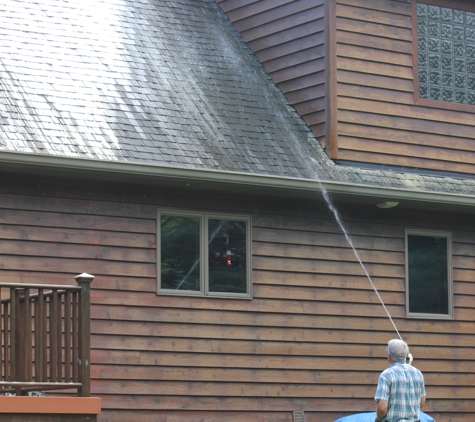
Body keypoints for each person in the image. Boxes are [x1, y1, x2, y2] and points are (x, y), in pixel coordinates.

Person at [374, 339, 426, 422]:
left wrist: (379, 420)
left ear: (389, 355)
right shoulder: (418, 373)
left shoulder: (386, 375)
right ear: (406, 355)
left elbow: (382, 408)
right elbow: (421, 403)